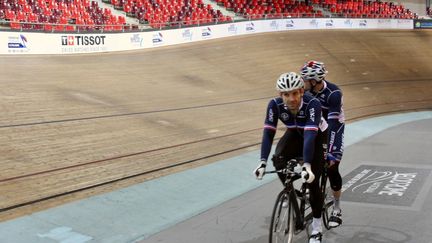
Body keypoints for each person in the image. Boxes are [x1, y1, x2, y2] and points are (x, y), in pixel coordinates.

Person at [253, 72, 328, 243]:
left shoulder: (312, 104)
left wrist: (307, 165)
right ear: (281, 95)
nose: (291, 98)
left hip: (317, 136)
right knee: (278, 158)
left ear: (302, 91)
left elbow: (310, 136)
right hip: (295, 131)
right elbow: (268, 133)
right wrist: (262, 161)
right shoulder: (274, 105)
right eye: (286, 94)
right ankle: (290, 192)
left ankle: (316, 227)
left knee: (312, 181)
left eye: (295, 93)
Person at [300, 60, 345, 228]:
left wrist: (330, 151)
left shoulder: (334, 93)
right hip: (316, 126)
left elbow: (333, 125)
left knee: (332, 167)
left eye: (305, 80)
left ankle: (337, 208)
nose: (302, 82)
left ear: (314, 81)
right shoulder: (305, 91)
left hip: (334, 128)